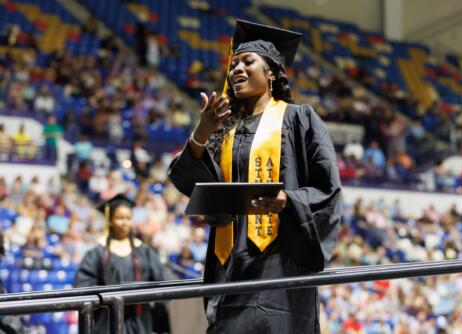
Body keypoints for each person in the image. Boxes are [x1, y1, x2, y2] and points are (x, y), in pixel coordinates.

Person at [168, 19, 343, 334]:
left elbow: (328, 189)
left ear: (271, 72)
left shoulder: (300, 119)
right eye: (234, 64)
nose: (237, 69)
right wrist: (201, 134)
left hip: (281, 269)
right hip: (230, 267)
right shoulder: (226, 132)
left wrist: (289, 199)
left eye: (248, 61)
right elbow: (196, 186)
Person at [74, 194, 172, 333]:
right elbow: (83, 285)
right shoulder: (96, 253)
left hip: (140, 320)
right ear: (110, 220)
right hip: (106, 320)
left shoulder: (144, 251)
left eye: (128, 218)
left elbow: (161, 282)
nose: (125, 222)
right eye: (120, 218)